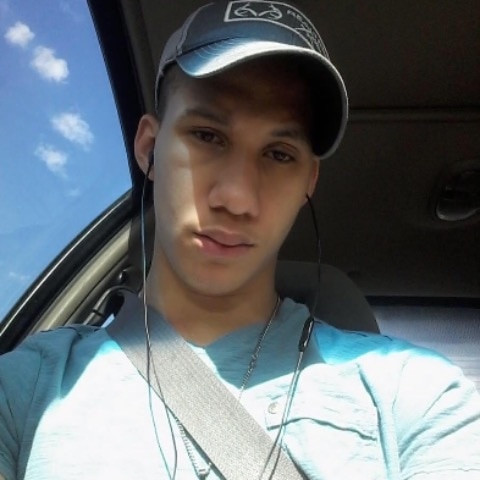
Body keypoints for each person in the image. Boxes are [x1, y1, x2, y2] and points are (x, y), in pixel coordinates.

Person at [1, 1, 480, 479]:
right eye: (207, 136)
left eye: (279, 154)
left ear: (309, 182)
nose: (237, 199)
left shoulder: (412, 394)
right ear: (149, 148)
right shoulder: (28, 390)